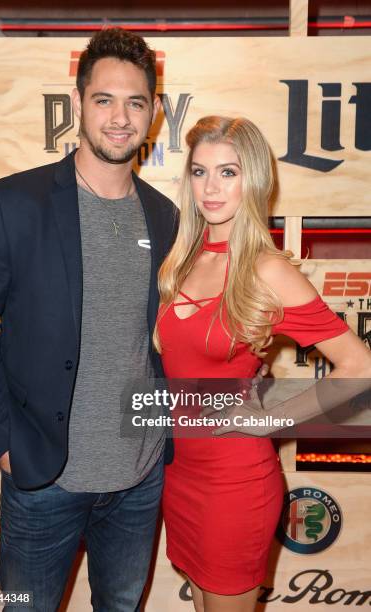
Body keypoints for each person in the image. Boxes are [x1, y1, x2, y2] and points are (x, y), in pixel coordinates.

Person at [0, 29, 177, 611]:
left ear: (154, 113)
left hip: (139, 480)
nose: (119, 117)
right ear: (78, 102)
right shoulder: (11, 204)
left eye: (135, 102)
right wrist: (3, 442)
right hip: (41, 479)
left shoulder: (165, 216)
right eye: (104, 99)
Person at [155, 116, 371, 612]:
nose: (211, 188)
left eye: (228, 173)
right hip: (178, 472)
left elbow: (358, 364)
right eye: (200, 171)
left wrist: (269, 417)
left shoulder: (266, 269)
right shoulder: (180, 260)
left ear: (252, 180)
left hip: (234, 480)